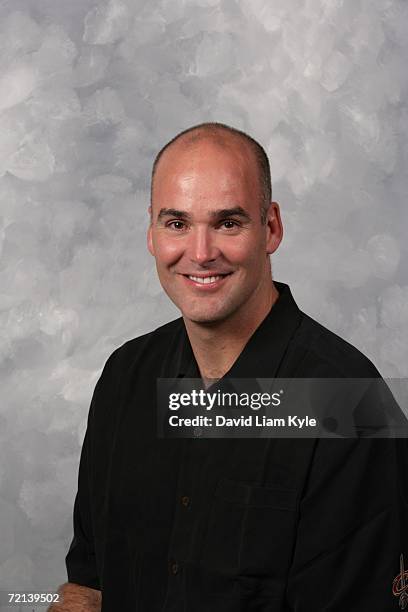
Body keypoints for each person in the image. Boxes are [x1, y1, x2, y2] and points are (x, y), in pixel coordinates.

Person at [50, 122, 407, 611]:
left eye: (228, 223)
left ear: (272, 228)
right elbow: (88, 584)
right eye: (177, 223)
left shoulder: (348, 405)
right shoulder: (125, 378)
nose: (200, 254)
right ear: (151, 232)